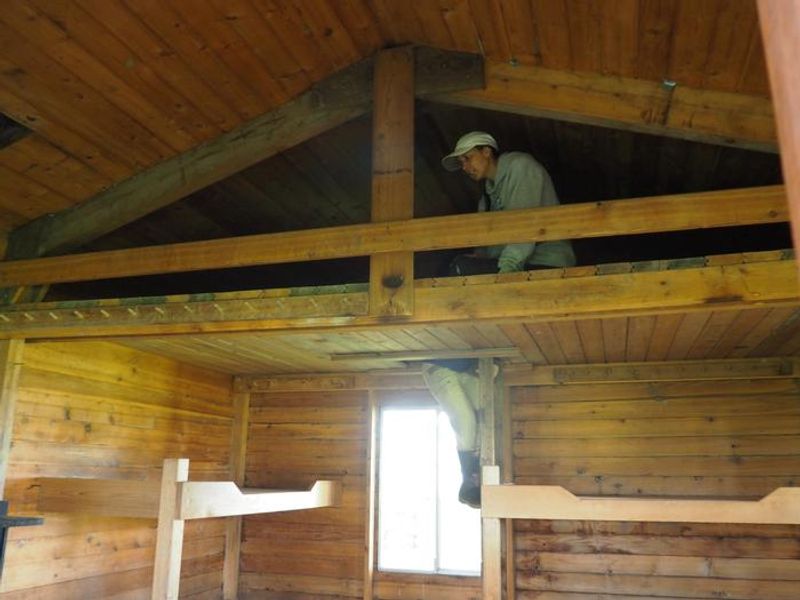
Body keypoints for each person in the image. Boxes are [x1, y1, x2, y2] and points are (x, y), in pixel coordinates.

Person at [441, 131, 576, 275]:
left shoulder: (520, 166)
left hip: (546, 262)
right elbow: (485, 239)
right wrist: (481, 256)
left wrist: (506, 270)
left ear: (486, 151)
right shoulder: (485, 198)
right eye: (461, 163)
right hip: (513, 264)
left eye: (467, 158)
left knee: (464, 269)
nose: (465, 167)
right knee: (458, 266)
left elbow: (525, 224)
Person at [420, 359, 482, 508]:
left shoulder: (468, 448)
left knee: (466, 419)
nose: (476, 479)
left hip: (438, 367)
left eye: (472, 482)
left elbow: (464, 418)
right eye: (476, 483)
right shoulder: (476, 452)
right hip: (458, 368)